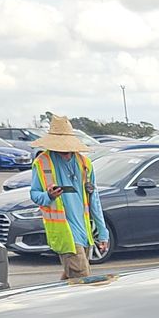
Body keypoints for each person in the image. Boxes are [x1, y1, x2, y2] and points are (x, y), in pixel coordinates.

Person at [28, 116, 108, 280]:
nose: (64, 151)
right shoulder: (42, 163)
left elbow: (94, 200)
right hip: (64, 234)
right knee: (81, 278)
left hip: (84, 232)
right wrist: (48, 195)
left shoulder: (84, 164)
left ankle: (56, 295)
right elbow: (34, 194)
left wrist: (102, 232)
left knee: (72, 278)